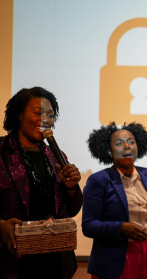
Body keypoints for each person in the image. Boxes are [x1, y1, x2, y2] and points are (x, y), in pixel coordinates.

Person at [0, 87, 83, 279]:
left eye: (51, 115)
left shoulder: (57, 156)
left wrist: (71, 188)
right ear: (20, 115)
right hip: (12, 261)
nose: (45, 119)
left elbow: (71, 210)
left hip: (53, 260)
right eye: (38, 112)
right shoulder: (2, 151)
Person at [82, 122, 147, 279]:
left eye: (131, 141)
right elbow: (88, 225)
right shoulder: (99, 180)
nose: (127, 146)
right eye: (119, 143)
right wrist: (120, 228)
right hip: (114, 261)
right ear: (109, 152)